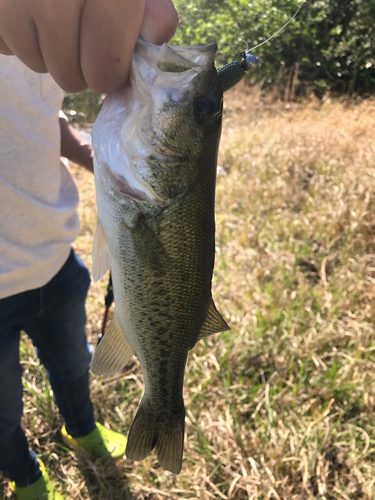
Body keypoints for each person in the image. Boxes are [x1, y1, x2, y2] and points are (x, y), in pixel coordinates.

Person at [0, 1, 178, 499]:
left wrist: (97, 153)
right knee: (1, 410)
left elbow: (34, 109)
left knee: (75, 364)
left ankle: (81, 429)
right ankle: (25, 476)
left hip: (56, 259)